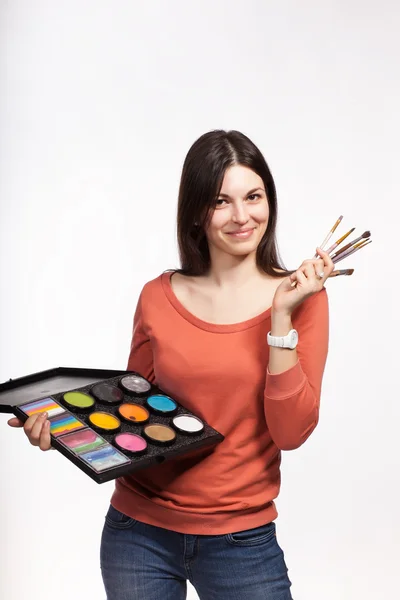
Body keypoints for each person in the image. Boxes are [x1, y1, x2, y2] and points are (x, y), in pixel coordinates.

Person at [8, 130, 334, 599]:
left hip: (240, 540)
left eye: (253, 196)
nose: (242, 216)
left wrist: (280, 315)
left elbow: (291, 433)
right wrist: (63, 431)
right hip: (137, 532)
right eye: (221, 201)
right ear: (197, 212)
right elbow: (135, 407)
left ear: (270, 201)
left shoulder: (303, 301)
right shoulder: (157, 297)